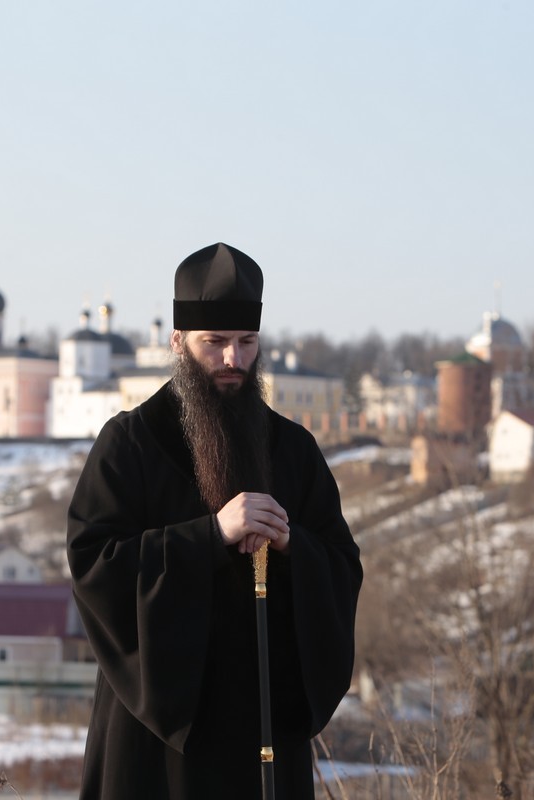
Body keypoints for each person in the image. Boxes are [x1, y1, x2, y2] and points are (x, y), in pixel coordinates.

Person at [67, 242, 363, 799]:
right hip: (157, 740)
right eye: (216, 342)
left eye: (247, 342)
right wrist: (211, 535)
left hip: (263, 725)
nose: (233, 359)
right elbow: (94, 566)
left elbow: (343, 567)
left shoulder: (293, 450)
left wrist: (292, 544)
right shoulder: (130, 444)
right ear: (178, 341)